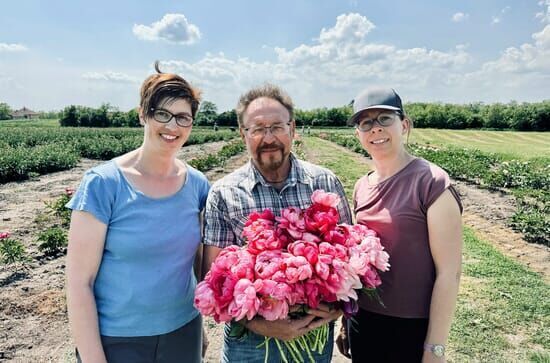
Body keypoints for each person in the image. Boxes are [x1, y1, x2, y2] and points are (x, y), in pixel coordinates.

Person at [66, 62, 209, 363]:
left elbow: (195, 263)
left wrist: (202, 326)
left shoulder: (197, 185)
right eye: (162, 114)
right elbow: (79, 282)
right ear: (143, 114)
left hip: (183, 332)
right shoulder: (104, 184)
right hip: (118, 340)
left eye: (183, 117)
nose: (173, 127)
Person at [202, 84, 353, 363]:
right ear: (242, 134)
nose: (268, 137)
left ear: (292, 129)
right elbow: (214, 277)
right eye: (257, 128)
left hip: (313, 337)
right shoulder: (223, 193)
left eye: (277, 126)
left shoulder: (325, 183)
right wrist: (262, 324)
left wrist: (337, 310)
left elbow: (349, 261)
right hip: (247, 344)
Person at [336, 87, 463, 362]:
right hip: (364, 321)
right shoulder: (361, 186)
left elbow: (449, 273)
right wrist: (347, 321)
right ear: (358, 132)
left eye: (384, 118)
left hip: (411, 327)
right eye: (365, 122)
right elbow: (359, 264)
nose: (375, 129)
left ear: (404, 125)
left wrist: (435, 347)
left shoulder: (431, 183)